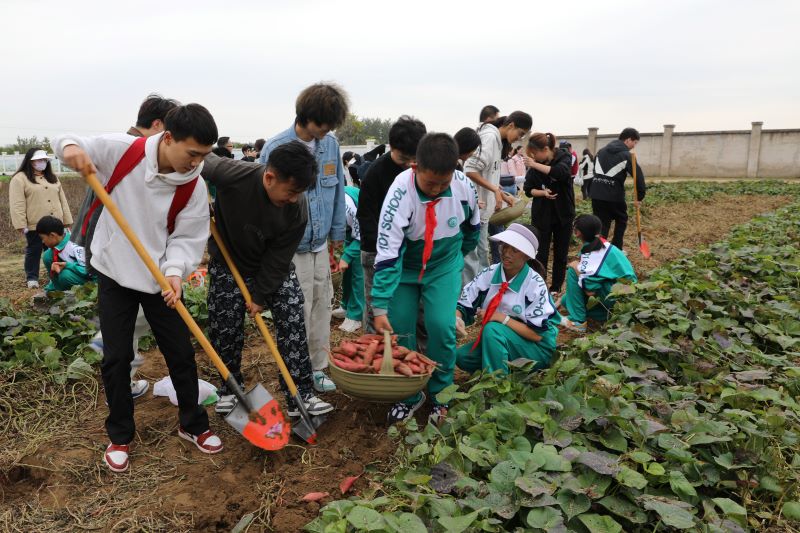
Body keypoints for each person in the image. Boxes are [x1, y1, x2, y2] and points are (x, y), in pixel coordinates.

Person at [54, 103, 223, 473]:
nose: (196, 162)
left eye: (203, 156)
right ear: (167, 138)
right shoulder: (124, 151)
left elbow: (188, 236)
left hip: (160, 277)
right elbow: (67, 140)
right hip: (114, 270)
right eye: (191, 153)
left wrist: (176, 272)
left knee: (180, 352)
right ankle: (120, 435)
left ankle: (192, 424)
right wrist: (71, 152)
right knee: (116, 357)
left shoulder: (193, 185)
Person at [201, 142, 334, 418]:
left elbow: (279, 258)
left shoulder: (297, 208)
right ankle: (229, 388)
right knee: (224, 328)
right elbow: (202, 159)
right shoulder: (233, 174)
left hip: (272, 267)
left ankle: (301, 393)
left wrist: (260, 295)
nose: (295, 198)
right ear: (270, 177)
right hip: (229, 264)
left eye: (300, 193)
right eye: (292, 191)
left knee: (293, 320)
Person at [74, 94, 179, 401]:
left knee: (128, 310)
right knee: (135, 307)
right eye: (171, 131)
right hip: (111, 245)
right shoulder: (129, 149)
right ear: (158, 125)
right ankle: (109, 346)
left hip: (104, 242)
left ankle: (122, 370)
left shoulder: (137, 150)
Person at [371, 133, 481, 425]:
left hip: (443, 267)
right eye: (430, 183)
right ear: (414, 167)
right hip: (404, 270)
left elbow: (472, 230)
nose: (436, 190)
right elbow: (387, 253)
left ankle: (440, 393)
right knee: (402, 329)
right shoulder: (399, 194)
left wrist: (454, 260)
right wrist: (379, 306)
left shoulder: (463, 186)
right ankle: (410, 393)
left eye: (443, 184)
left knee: (441, 326)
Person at [259, 82, 350, 393]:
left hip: (321, 243)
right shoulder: (275, 148)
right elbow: (264, 202)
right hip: (290, 248)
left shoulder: (331, 146)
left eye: (329, 126)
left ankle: (318, 366)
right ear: (305, 116)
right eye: (321, 125)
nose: (325, 132)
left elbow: (337, 191)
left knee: (322, 305)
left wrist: (338, 237)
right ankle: (295, 371)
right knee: (296, 310)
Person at [456, 223, 559, 374]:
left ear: (527, 255)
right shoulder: (490, 274)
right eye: (505, 246)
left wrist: (501, 318)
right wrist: (457, 318)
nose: (506, 253)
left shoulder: (534, 284)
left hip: (537, 349)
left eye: (515, 250)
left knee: (492, 330)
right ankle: (507, 367)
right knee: (463, 356)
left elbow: (537, 335)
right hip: (504, 340)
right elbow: (464, 306)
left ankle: (497, 386)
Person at [357, 116, 427, 332]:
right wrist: (380, 251)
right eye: (403, 158)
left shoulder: (422, 171)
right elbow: (366, 216)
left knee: (416, 306)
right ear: (391, 146)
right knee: (376, 306)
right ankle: (373, 355)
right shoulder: (375, 173)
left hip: (413, 250)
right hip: (377, 250)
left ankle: (415, 352)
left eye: (413, 159)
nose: (408, 164)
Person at [462, 112, 532, 285]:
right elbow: (469, 169)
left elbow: (487, 173)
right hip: (476, 207)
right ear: (511, 125)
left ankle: (481, 293)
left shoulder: (497, 141)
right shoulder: (490, 137)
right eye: (520, 133)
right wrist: (493, 189)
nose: (518, 139)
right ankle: (471, 298)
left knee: (481, 253)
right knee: (474, 256)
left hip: (483, 209)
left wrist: (498, 190)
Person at [559, 214, 637, 333]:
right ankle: (608, 315)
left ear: (577, 233)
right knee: (566, 301)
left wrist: (575, 268)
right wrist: (557, 302)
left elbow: (590, 291)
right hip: (626, 295)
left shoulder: (593, 254)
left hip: (621, 296)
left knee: (572, 271)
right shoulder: (600, 243)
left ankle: (578, 322)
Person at [9, 148, 73, 289]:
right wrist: (21, 224)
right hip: (35, 223)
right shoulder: (20, 178)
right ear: (30, 161)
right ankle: (32, 278)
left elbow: (62, 200)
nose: (42, 163)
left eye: (44, 160)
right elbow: (17, 203)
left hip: (55, 222)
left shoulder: (53, 177)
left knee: (56, 251)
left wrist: (67, 221)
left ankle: (55, 277)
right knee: (34, 249)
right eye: (38, 160)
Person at [522, 133, 575, 296]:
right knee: (540, 252)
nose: (533, 158)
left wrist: (534, 165)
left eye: (535, 154)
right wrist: (542, 192)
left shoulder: (563, 157)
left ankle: (556, 286)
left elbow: (561, 173)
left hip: (563, 213)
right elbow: (528, 190)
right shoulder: (535, 166)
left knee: (561, 252)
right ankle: (539, 284)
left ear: (545, 149)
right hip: (542, 214)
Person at [590, 127, 646, 250]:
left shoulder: (600, 152)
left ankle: (598, 251)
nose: (634, 146)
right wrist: (640, 196)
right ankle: (616, 248)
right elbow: (639, 179)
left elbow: (594, 172)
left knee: (601, 224)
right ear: (628, 140)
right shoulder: (628, 156)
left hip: (596, 195)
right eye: (634, 143)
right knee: (621, 219)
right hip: (614, 196)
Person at [331, 185, 364, 333]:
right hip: (349, 229)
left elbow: (362, 235)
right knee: (346, 270)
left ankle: (356, 315)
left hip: (362, 230)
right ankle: (346, 305)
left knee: (358, 270)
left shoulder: (347, 209)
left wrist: (348, 256)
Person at [36, 215, 92, 292]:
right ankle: (57, 288)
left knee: (65, 275)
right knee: (47, 256)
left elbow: (88, 271)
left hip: (89, 280)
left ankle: (81, 293)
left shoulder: (75, 246)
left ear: (52, 235)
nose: (42, 241)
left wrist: (67, 265)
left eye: (42, 238)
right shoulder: (55, 248)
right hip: (74, 274)